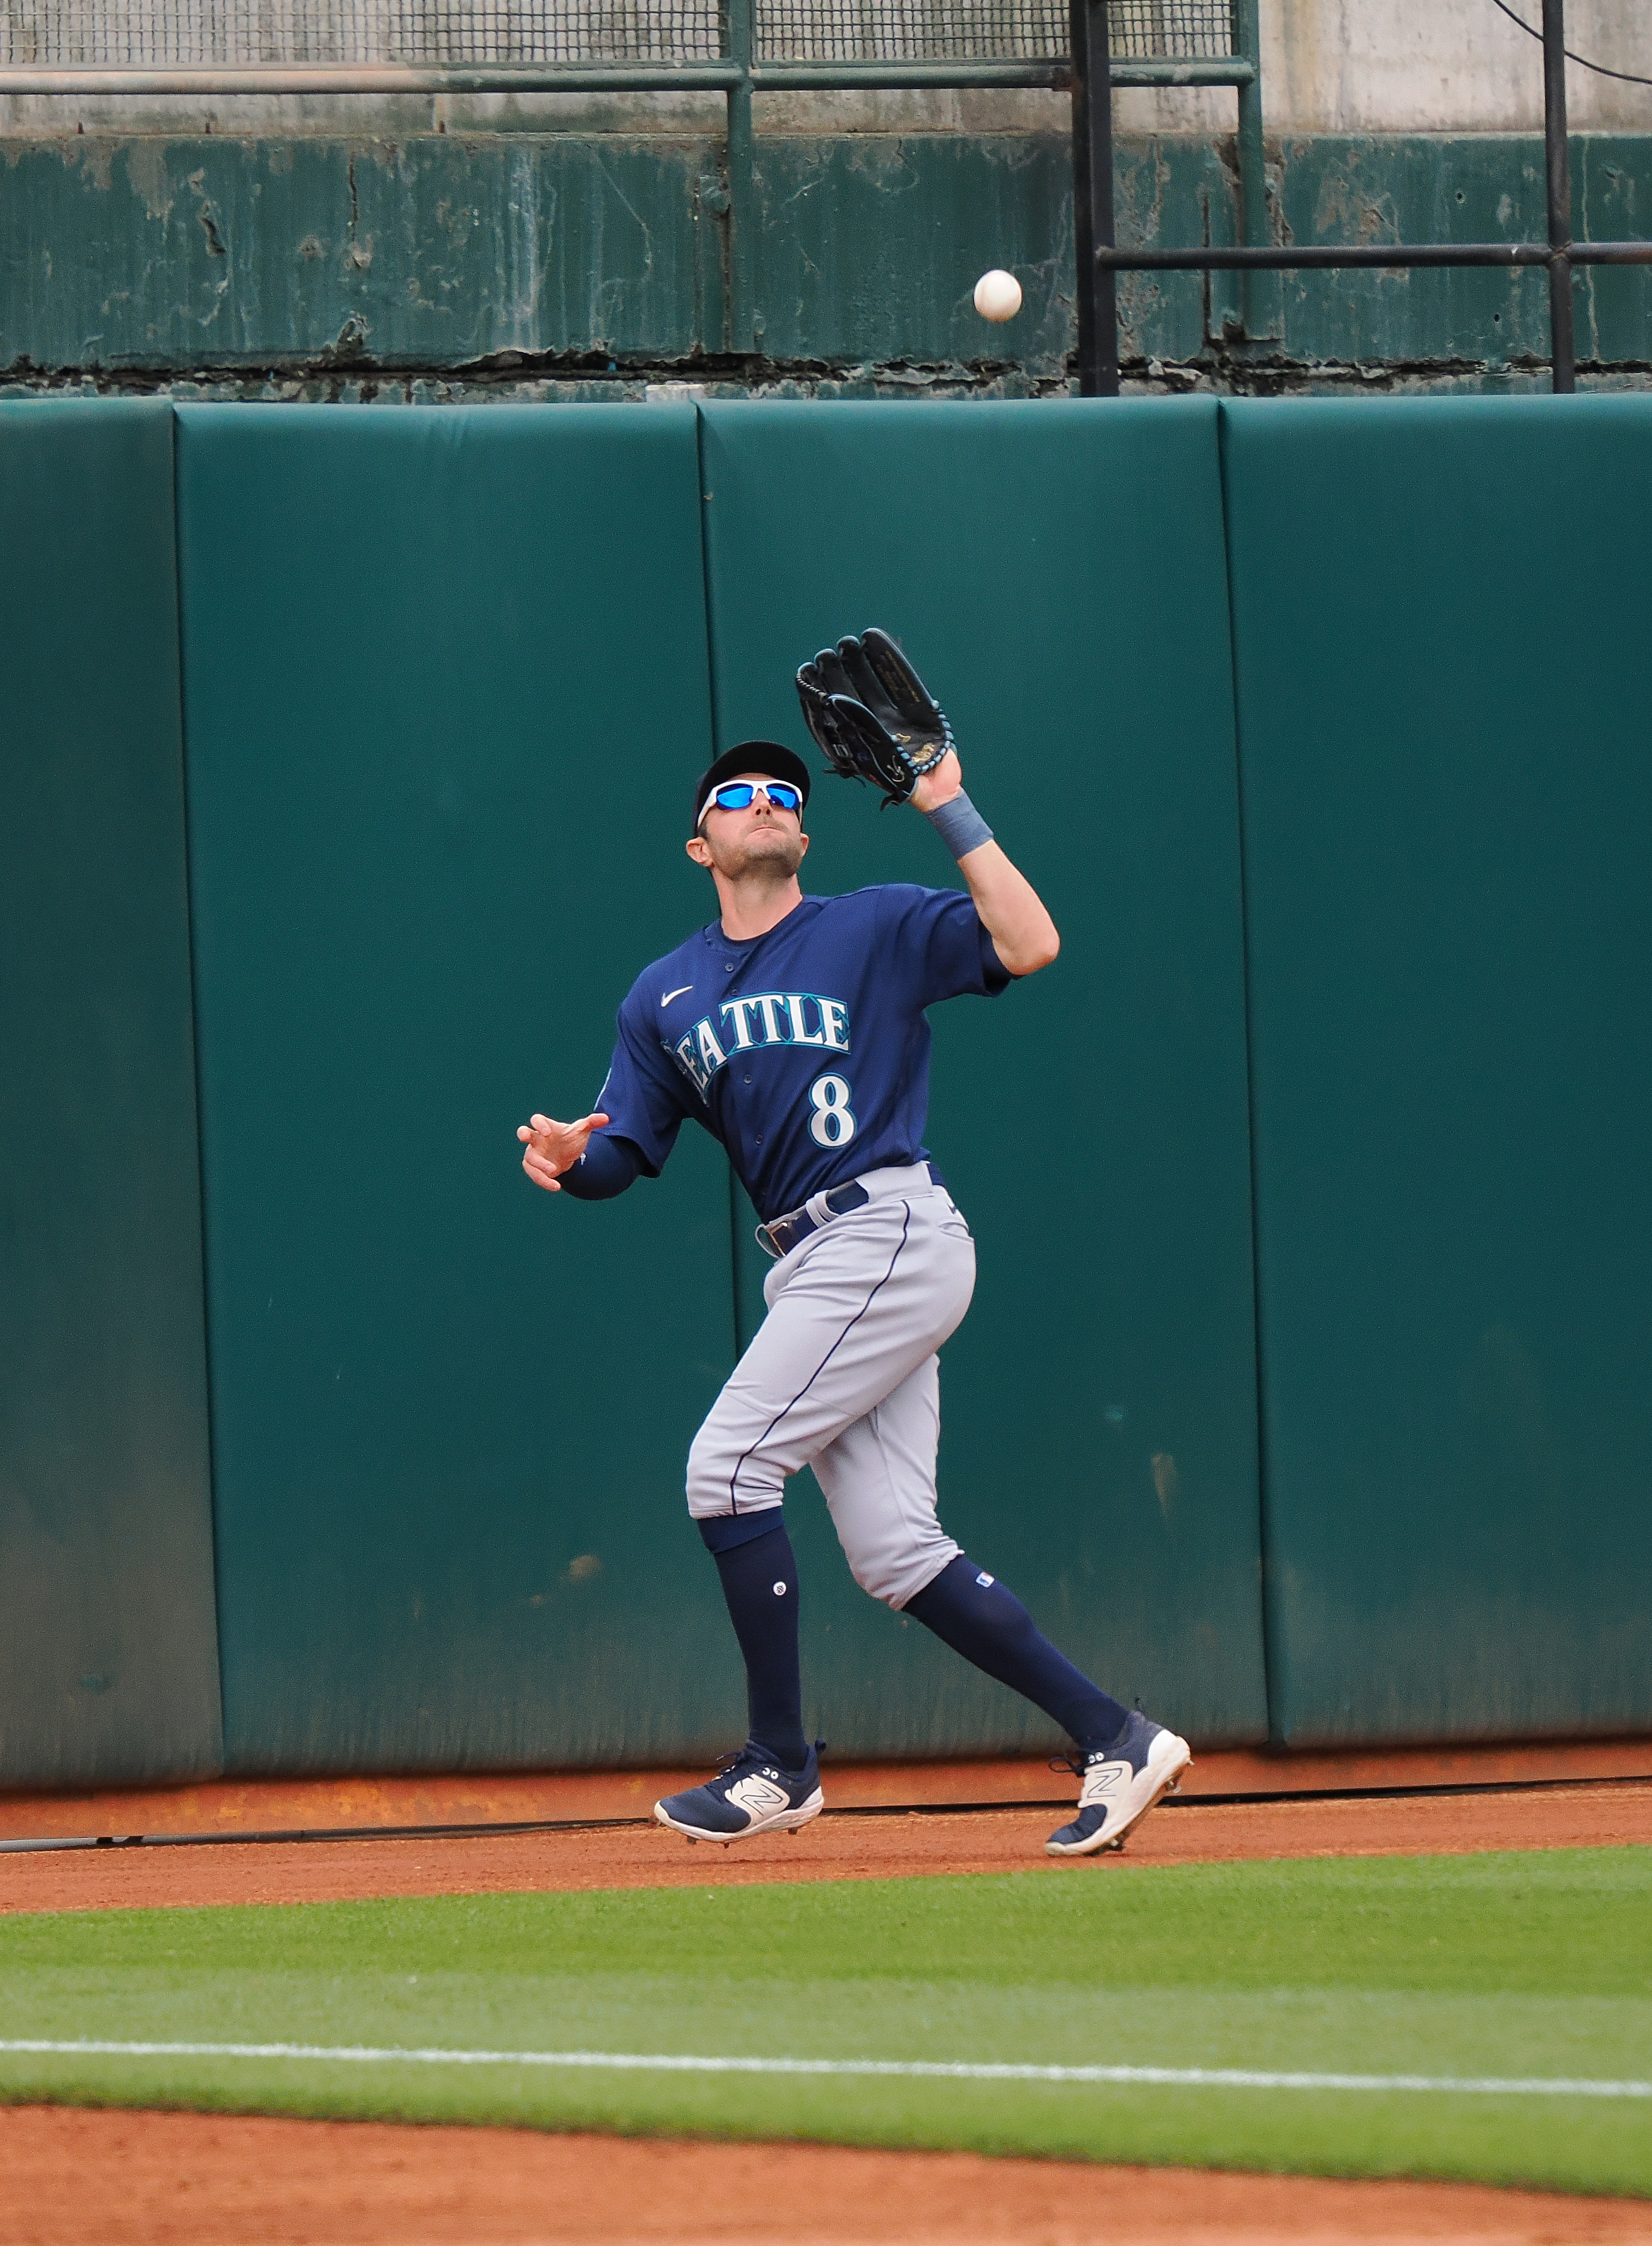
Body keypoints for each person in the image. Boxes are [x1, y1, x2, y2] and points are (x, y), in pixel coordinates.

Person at [517, 703, 1191, 1858]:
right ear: (700, 847)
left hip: (884, 1228)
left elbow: (1029, 945)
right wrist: (574, 1165)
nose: (767, 802)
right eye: (736, 795)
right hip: (815, 1262)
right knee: (892, 1550)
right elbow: (627, 1150)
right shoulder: (664, 994)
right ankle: (1116, 1734)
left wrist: (947, 805)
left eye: (786, 794)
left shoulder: (873, 925)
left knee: (727, 1470)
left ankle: (781, 1763)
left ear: (806, 839)